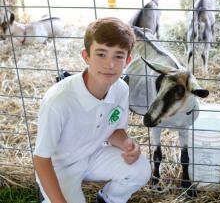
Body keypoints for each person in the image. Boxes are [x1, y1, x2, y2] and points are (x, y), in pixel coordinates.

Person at [33, 17, 151, 203]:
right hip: (60, 167)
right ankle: (47, 195)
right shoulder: (59, 100)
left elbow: (113, 129)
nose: (110, 64)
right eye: (101, 54)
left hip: (93, 155)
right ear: (85, 56)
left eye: (118, 56)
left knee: (141, 168)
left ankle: (108, 199)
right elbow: (41, 160)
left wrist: (127, 143)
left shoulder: (120, 89)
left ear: (127, 60)